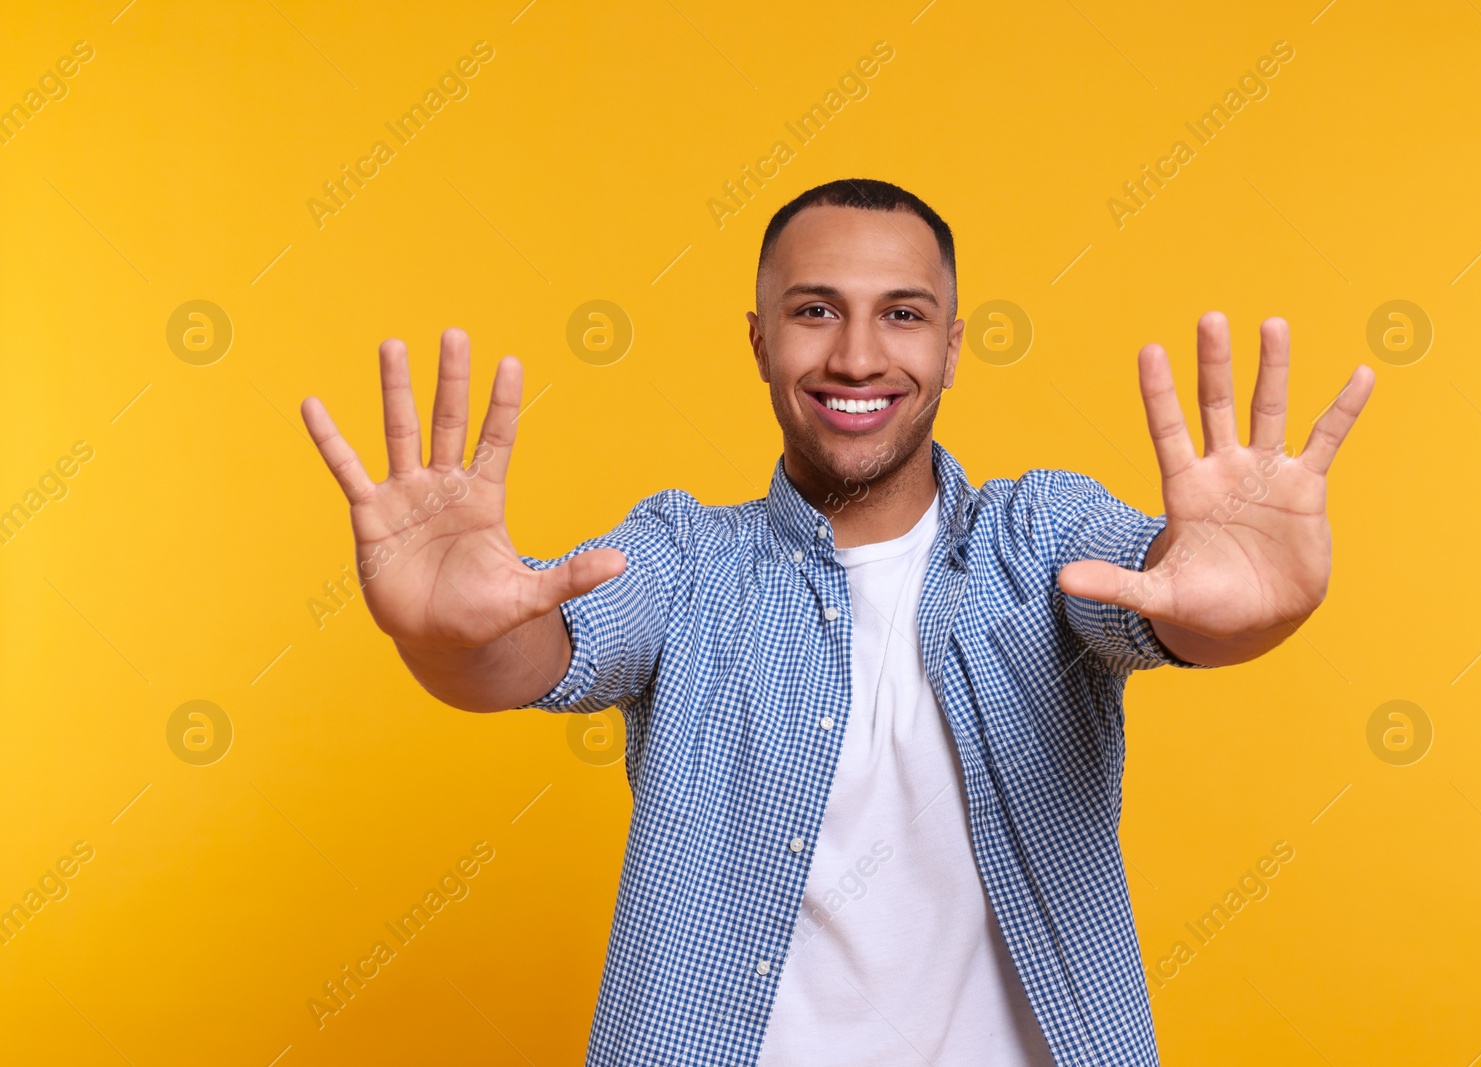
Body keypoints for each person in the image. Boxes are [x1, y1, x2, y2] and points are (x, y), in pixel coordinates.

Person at [300, 179, 1374, 1066]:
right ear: (759, 339)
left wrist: (1244, 605)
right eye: (815, 311)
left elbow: (1164, 602)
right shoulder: (684, 555)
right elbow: (534, 651)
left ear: (952, 345)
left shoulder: (1036, 530)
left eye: (900, 314)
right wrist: (446, 631)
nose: (858, 356)